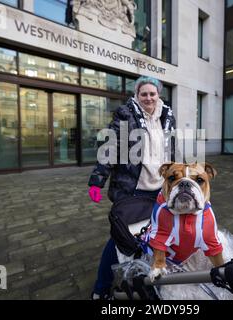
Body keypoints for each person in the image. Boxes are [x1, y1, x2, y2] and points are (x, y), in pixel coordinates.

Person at [87, 76, 176, 299]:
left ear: (158, 95)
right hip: (133, 189)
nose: (148, 97)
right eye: (143, 93)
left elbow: (171, 152)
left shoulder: (167, 116)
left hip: (159, 190)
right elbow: (110, 147)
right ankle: (100, 289)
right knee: (120, 239)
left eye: (152, 93)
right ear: (137, 95)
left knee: (155, 236)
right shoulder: (125, 115)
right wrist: (97, 180)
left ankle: (144, 278)